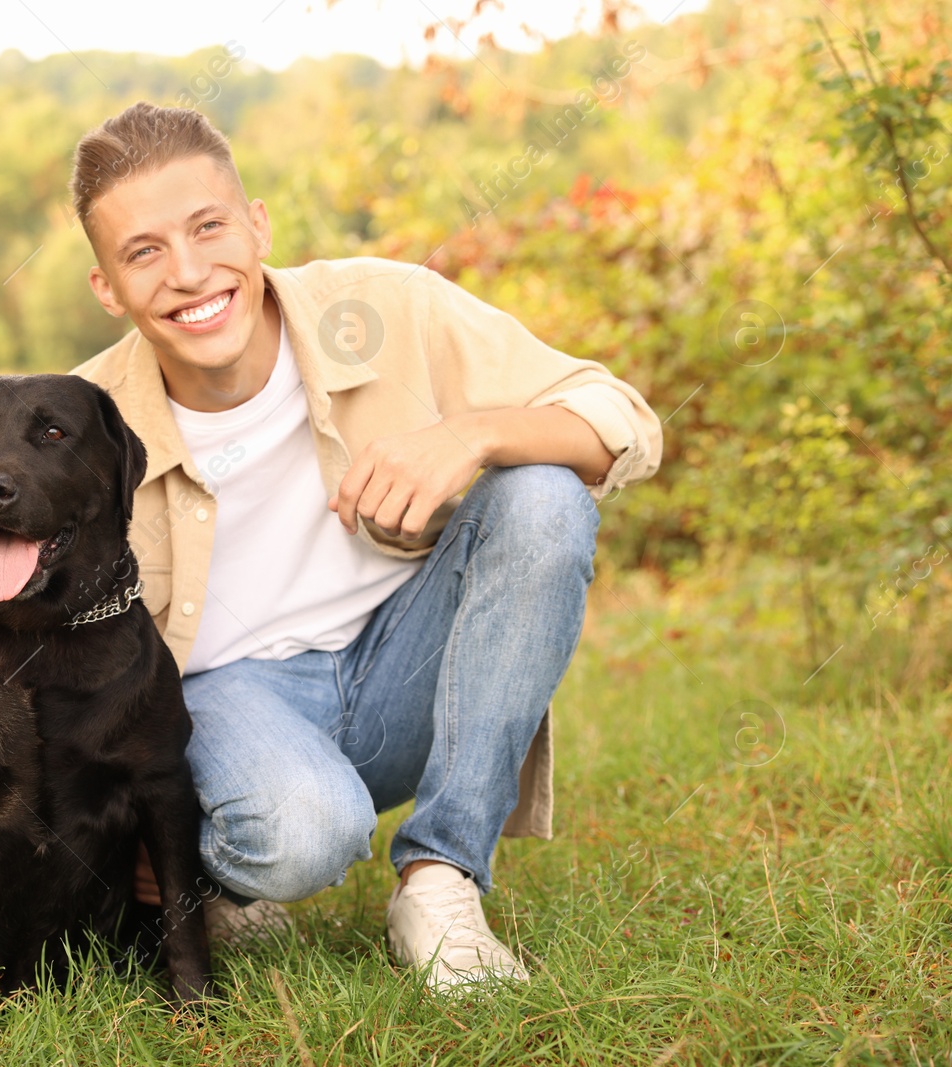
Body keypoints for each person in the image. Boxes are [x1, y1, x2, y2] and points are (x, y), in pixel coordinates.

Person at [68, 102, 662, 991]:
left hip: (401, 668)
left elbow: (624, 422)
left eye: (209, 227)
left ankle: (441, 883)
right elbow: (35, 651)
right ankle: (225, 871)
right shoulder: (80, 421)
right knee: (304, 831)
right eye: (145, 252)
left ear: (257, 223)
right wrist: (115, 828)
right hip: (227, 703)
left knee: (540, 493)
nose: (190, 274)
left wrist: (474, 433)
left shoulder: (388, 306)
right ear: (108, 286)